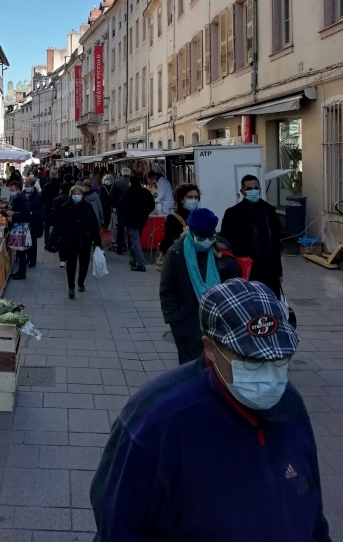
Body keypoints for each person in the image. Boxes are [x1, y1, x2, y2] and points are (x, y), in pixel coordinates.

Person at [91, 277, 331, 542]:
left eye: (280, 358)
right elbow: (117, 527)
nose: (270, 374)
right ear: (210, 349)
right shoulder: (155, 422)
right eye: (251, 360)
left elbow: (313, 512)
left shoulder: (291, 404)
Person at [159, 207, 241, 364]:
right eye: (202, 236)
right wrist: (175, 320)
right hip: (187, 322)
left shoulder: (220, 247)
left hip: (217, 320)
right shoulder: (177, 252)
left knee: (217, 364)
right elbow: (167, 289)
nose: (206, 240)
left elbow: (235, 278)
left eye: (210, 236)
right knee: (191, 366)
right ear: (192, 232)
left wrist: (226, 260)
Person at [221, 174, 283, 299]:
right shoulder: (233, 214)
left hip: (269, 271)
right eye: (249, 189)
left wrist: (279, 272)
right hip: (246, 271)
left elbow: (276, 243)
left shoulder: (269, 210)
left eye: (256, 188)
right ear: (242, 192)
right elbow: (226, 244)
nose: (253, 191)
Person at [51, 185, 102, 298]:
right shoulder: (65, 207)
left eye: (78, 194)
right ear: (71, 195)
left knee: (84, 264)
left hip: (85, 240)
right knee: (71, 265)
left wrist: (97, 242)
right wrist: (53, 241)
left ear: (82, 195)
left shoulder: (88, 206)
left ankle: (81, 282)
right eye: (74, 194)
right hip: (70, 240)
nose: (76, 196)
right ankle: (71, 287)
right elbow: (58, 224)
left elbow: (94, 224)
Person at [8, 176, 44, 279]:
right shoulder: (21, 196)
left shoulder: (25, 198)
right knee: (22, 249)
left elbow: (26, 214)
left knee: (24, 248)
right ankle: (21, 270)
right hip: (22, 225)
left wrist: (13, 217)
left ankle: (24, 269)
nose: (11, 192)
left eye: (12, 190)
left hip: (24, 226)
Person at [118, 176, 155, 272]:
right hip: (142, 220)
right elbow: (152, 205)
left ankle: (141, 263)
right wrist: (145, 212)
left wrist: (125, 217)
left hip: (131, 221)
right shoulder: (146, 192)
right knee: (136, 239)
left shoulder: (128, 193)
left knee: (135, 241)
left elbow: (121, 207)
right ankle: (132, 259)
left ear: (131, 183)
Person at [158, 182, 200, 254]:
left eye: (196, 197)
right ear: (181, 199)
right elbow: (166, 246)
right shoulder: (173, 218)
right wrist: (182, 235)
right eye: (190, 197)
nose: (194, 200)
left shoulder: (200, 216)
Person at [110, 168, 131, 254]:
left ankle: (120, 248)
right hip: (131, 209)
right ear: (129, 174)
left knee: (120, 228)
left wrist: (116, 204)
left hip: (120, 209)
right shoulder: (131, 183)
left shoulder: (116, 182)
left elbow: (111, 195)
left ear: (122, 173)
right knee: (130, 229)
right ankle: (130, 247)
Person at [50, 182, 71, 266]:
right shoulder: (70, 199)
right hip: (69, 222)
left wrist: (53, 222)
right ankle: (68, 257)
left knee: (61, 240)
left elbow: (54, 212)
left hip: (60, 222)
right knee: (68, 239)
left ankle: (62, 259)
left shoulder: (57, 199)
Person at [42, 169, 61, 250]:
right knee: (56, 225)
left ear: (50, 176)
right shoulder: (60, 185)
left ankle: (47, 242)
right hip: (58, 208)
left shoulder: (46, 186)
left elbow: (42, 198)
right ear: (57, 176)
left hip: (48, 207)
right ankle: (53, 240)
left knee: (47, 226)